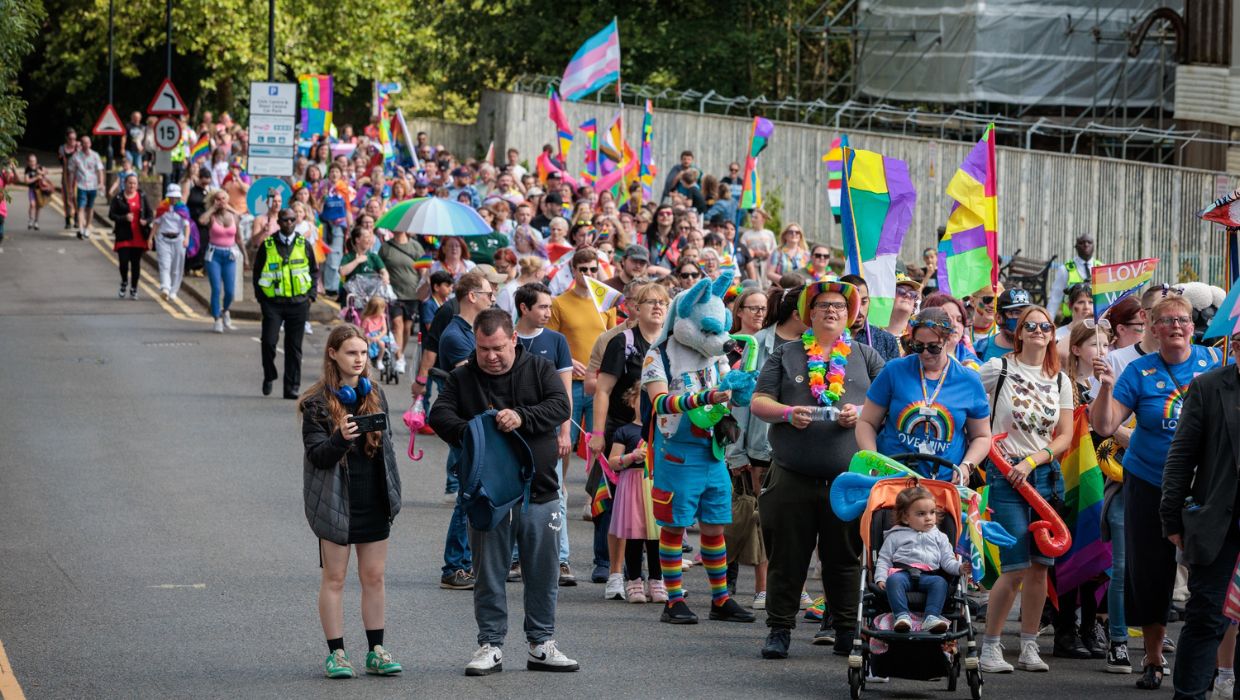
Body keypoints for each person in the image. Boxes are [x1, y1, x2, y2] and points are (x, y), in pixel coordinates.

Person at [427, 308, 579, 677]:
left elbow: (560, 405)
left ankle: (541, 643)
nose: (491, 356)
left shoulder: (539, 369)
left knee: (543, 574)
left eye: (497, 348)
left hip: (541, 492)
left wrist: (522, 416)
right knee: (489, 574)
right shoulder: (464, 376)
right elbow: (439, 415)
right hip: (488, 497)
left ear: (513, 339)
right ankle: (490, 644)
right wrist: (478, 430)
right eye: (483, 349)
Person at [1091, 293, 1223, 689]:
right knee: (1151, 572)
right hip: (1150, 482)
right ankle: (1152, 659)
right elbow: (1104, 425)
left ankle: (1213, 662)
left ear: (1192, 325)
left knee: (1210, 572)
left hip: (1204, 486)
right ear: (1152, 327)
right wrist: (1105, 387)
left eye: (1183, 320)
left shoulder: (1213, 363)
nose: (1177, 327)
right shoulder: (1137, 371)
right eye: (1167, 321)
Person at [749, 278, 885, 658]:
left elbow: (887, 407)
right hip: (792, 475)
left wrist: (859, 414)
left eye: (839, 306)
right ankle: (779, 630)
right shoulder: (787, 353)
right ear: (809, 313)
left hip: (848, 480)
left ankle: (845, 630)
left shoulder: (866, 356)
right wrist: (788, 413)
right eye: (823, 305)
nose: (831, 311)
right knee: (787, 558)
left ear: (850, 314)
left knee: (844, 560)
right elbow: (759, 402)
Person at [640, 270, 758, 626]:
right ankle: (673, 599)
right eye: (708, 331)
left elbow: (726, 397)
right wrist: (705, 397)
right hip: (677, 453)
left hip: (714, 452)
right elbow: (660, 402)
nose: (718, 339)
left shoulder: (716, 355)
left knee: (714, 527)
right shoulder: (658, 354)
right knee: (674, 527)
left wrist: (739, 389)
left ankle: (720, 599)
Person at [299, 325, 403, 680]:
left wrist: (393, 493)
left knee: (374, 577)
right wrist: (340, 438)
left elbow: (386, 450)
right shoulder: (315, 403)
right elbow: (317, 456)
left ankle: (376, 650)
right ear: (333, 354)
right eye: (350, 353)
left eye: (363, 353)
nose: (359, 359)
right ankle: (337, 654)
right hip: (335, 501)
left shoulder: (374, 393)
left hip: (373, 499)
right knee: (335, 578)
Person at [978, 305, 1074, 675]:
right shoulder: (998, 368)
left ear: (1052, 333)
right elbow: (969, 402)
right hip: (1005, 476)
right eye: (1029, 325)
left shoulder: (1061, 379)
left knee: (1040, 567)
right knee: (1014, 565)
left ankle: (1030, 646)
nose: (1037, 330)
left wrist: (1034, 461)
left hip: (1044, 477)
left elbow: (1064, 435)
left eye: (1044, 326)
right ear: (1018, 333)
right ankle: (990, 645)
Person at [1161, 360, 1240, 700]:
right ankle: (1190, 695)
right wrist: (1171, 517)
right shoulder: (1208, 386)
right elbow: (1181, 455)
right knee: (1207, 616)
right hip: (1220, 526)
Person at [591, 282, 670, 601]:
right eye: (649, 302)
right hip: (622, 429)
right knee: (614, 506)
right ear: (635, 308)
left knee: (657, 506)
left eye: (663, 302)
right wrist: (597, 433)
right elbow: (602, 389)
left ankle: (661, 576)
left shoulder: (670, 342)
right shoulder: (622, 341)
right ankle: (614, 572)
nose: (657, 307)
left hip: (660, 434)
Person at [856, 308, 992, 482]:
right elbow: (866, 422)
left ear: (948, 340)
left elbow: (981, 436)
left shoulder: (969, 380)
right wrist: (873, 460)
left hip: (942, 483)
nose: (925, 353)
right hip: (891, 479)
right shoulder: (894, 370)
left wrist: (966, 466)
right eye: (918, 346)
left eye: (933, 347)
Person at [548, 248, 616, 535]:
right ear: (572, 271)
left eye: (592, 269)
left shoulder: (607, 304)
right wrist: (568, 362)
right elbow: (551, 343)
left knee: (600, 441)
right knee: (565, 441)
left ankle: (591, 497)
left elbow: (614, 342)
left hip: (601, 384)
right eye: (582, 269)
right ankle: (558, 489)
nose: (588, 275)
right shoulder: (559, 304)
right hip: (571, 383)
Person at [435, 272, 497, 590]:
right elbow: (476, 377)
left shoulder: (471, 331)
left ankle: (468, 562)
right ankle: (454, 566)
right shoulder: (456, 335)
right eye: (488, 293)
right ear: (471, 295)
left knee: (478, 495)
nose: (493, 298)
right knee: (467, 497)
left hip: (480, 425)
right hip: (467, 427)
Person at [513, 282, 576, 585]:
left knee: (555, 495)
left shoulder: (556, 341)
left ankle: (560, 558)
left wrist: (564, 433)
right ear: (524, 308)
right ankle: (515, 558)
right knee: (513, 494)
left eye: (550, 307)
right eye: (542, 307)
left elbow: (565, 392)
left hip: (548, 431)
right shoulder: (507, 339)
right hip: (512, 432)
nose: (548, 313)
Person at [724, 287, 773, 608]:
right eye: (752, 308)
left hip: (761, 444)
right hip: (731, 440)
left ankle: (762, 588)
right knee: (731, 515)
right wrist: (735, 451)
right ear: (739, 311)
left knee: (761, 514)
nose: (758, 313)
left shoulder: (772, 348)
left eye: (763, 308)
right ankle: (725, 587)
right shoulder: (727, 348)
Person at [875, 485, 970, 633]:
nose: (928, 518)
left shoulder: (940, 537)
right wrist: (880, 578)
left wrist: (959, 568)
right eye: (921, 514)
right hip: (902, 573)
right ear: (906, 518)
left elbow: (947, 560)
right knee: (892, 581)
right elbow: (884, 559)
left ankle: (931, 617)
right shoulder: (895, 536)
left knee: (940, 583)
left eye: (932, 512)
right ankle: (901, 616)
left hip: (930, 575)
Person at [253, 208, 318, 399]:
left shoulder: (304, 244)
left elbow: (314, 271)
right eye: (285, 220)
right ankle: (269, 375)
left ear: (295, 222)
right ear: (279, 222)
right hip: (273, 303)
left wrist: (311, 296)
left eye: (292, 220)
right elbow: (257, 273)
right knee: (269, 342)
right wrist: (261, 299)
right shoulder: (268, 244)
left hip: (298, 303)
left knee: (294, 347)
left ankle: (291, 387)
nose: (288, 223)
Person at [378, 229, 425, 374]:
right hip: (393, 295)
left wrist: (425, 285)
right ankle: (399, 358)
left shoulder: (416, 246)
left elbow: (423, 269)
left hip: (412, 293)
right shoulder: (385, 247)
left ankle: (400, 353)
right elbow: (379, 268)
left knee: (406, 328)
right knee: (397, 325)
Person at [199, 189, 245, 332]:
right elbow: (201, 220)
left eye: (224, 199)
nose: (221, 202)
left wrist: (246, 256)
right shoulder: (211, 216)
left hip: (230, 255)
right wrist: (213, 208)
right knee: (216, 289)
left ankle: (225, 310)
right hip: (214, 255)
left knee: (230, 291)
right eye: (218, 199)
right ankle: (217, 318)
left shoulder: (233, 216)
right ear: (213, 201)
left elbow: (238, 238)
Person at [107, 173, 152, 300]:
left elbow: (150, 214)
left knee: (136, 264)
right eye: (130, 183)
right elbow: (111, 215)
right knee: (123, 263)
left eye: (134, 183)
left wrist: (146, 221)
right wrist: (124, 218)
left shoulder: (142, 196)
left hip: (138, 236)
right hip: (123, 235)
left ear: (137, 185)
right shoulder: (118, 198)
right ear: (125, 183)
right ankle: (124, 282)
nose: (132, 185)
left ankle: (134, 288)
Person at [841, 274, 901, 361]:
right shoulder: (827, 338)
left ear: (869, 301)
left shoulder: (887, 340)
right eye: (852, 303)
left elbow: (894, 374)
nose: (859, 310)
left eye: (863, 302)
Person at [922, 292, 984, 370]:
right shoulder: (917, 359)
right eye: (947, 319)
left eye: (959, 320)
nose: (955, 324)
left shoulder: (970, 358)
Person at [1048, 233, 1103, 320]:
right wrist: (1048, 321)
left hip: (1096, 319)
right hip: (1072, 319)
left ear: (1094, 246)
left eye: (1089, 242)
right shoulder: (1065, 269)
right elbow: (1055, 298)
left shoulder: (1102, 268)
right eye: (1082, 242)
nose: (1086, 245)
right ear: (1076, 246)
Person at [976, 288, 1033, 361]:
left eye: (1027, 313)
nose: (1022, 318)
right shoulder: (980, 349)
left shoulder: (1039, 348)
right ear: (998, 318)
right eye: (1016, 313)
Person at [69, 135, 104, 240]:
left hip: (93, 185)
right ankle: (81, 229)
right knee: (81, 208)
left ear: (90, 144)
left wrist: (101, 183)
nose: (86, 144)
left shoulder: (95, 155)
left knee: (90, 208)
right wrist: (71, 187)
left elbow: (100, 170)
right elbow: (72, 172)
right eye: (84, 142)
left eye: (88, 142)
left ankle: (87, 227)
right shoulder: (76, 157)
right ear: (81, 144)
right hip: (81, 185)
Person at [360, 296, 396, 371]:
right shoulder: (367, 319)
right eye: (382, 309)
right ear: (375, 310)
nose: (384, 310)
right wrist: (369, 338)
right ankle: (367, 361)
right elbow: (362, 331)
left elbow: (384, 330)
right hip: (369, 336)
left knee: (382, 344)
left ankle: (379, 360)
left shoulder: (382, 317)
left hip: (380, 336)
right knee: (366, 345)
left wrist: (378, 337)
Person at [885, 274, 921, 339]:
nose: (907, 295)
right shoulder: (871, 332)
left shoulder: (919, 333)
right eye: (901, 291)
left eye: (912, 293)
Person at [21, 153, 49, 230]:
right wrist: (36, 177)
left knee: (38, 206)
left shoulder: (39, 167)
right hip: (32, 189)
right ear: (28, 162)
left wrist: (43, 173)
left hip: (39, 190)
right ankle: (31, 219)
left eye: (34, 161)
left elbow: (45, 173)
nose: (33, 163)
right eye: (31, 161)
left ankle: (36, 221)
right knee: (32, 204)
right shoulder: (27, 169)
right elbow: (26, 181)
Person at [57, 127, 78, 229]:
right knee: (66, 198)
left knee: (75, 197)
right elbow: (61, 161)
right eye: (70, 139)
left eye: (74, 138)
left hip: (77, 176)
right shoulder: (62, 148)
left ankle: (77, 218)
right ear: (67, 138)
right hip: (66, 176)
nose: (72, 141)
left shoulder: (79, 147)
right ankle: (68, 219)